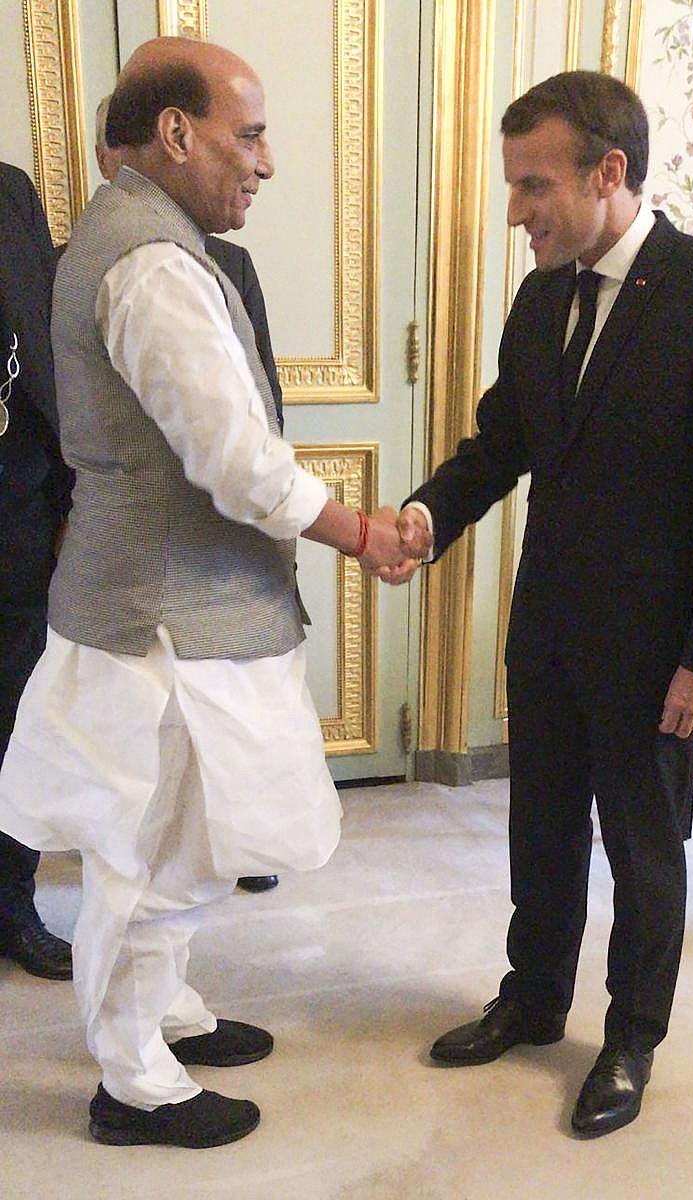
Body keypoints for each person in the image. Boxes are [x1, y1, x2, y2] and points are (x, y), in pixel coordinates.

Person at [0, 36, 427, 1149]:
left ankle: (165, 1016)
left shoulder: (133, 235)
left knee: (170, 844)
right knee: (163, 857)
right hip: (168, 625)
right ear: (176, 133)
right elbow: (234, 460)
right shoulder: (150, 261)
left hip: (153, 609)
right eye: (248, 133)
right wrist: (359, 532)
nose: (266, 162)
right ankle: (134, 1082)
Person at [393, 70, 693, 1137]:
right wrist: (423, 521)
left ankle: (629, 1038)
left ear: (607, 174)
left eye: (532, 186)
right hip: (549, 632)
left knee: (643, 850)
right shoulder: (541, 296)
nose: (515, 211)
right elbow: (500, 445)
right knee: (539, 831)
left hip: (660, 652)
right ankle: (530, 998)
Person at [96, 93, 281, 897]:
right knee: (156, 741)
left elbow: (261, 399)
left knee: (235, 710)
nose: (261, 162)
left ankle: (236, 839)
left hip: (231, 539)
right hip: (143, 554)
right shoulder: (95, 264)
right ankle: (148, 1002)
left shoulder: (229, 264)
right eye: (246, 137)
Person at [0, 162, 75, 982]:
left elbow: (40, 346)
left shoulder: (10, 192)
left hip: (15, 501)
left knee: (12, 712)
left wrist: (65, 496)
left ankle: (12, 903)